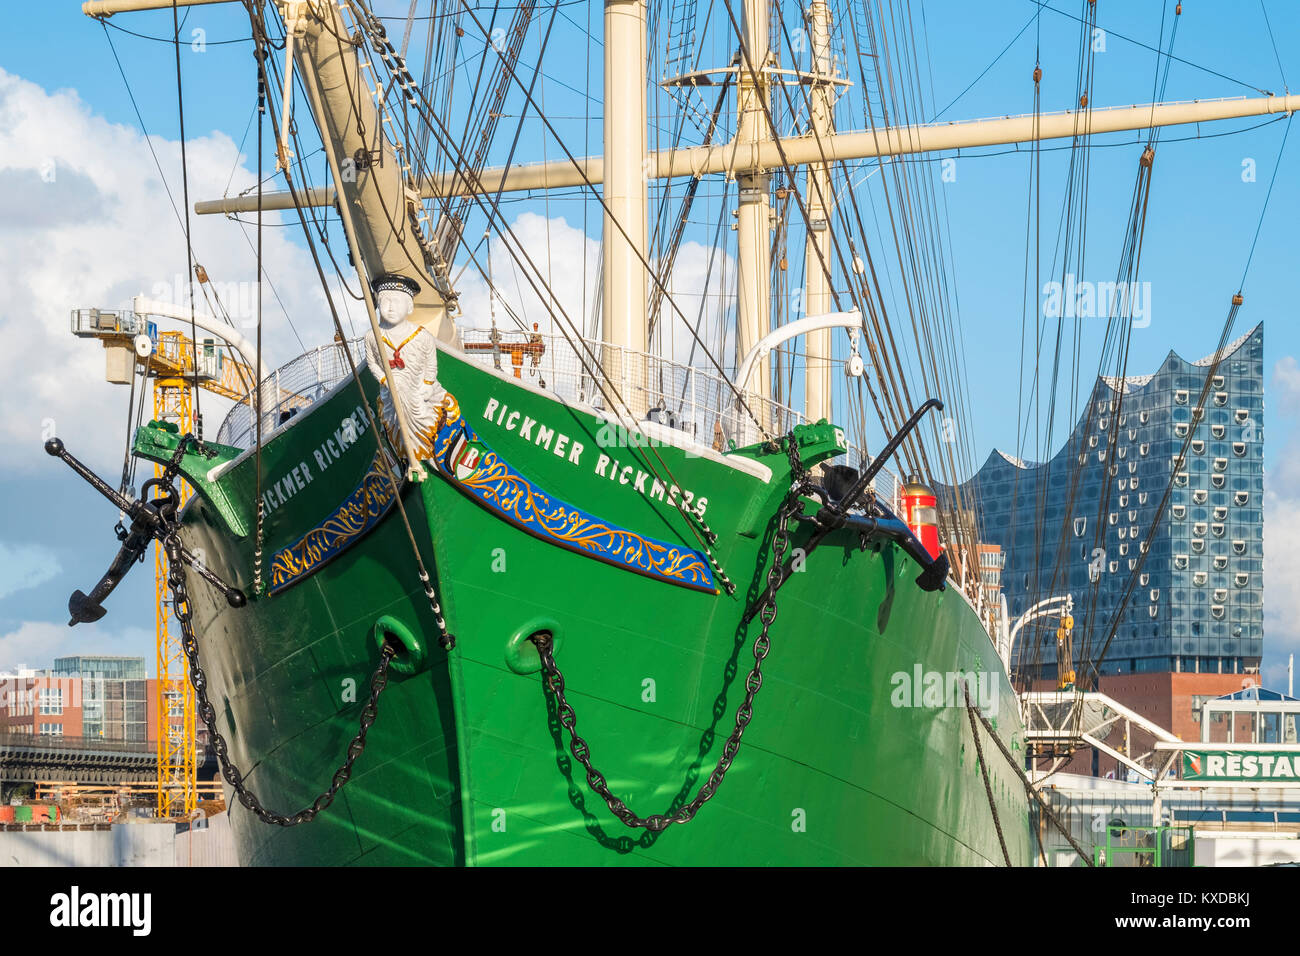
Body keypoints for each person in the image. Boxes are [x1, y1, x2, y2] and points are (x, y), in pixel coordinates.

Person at [363, 274, 450, 460]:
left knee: (422, 417)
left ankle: (426, 454)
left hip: (417, 393)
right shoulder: (373, 337)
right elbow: (372, 363)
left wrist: (427, 384)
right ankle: (407, 456)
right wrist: (385, 380)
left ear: (410, 306)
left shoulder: (421, 336)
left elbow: (430, 363)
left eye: (397, 301)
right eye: (385, 301)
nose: (390, 307)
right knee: (396, 423)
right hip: (392, 395)